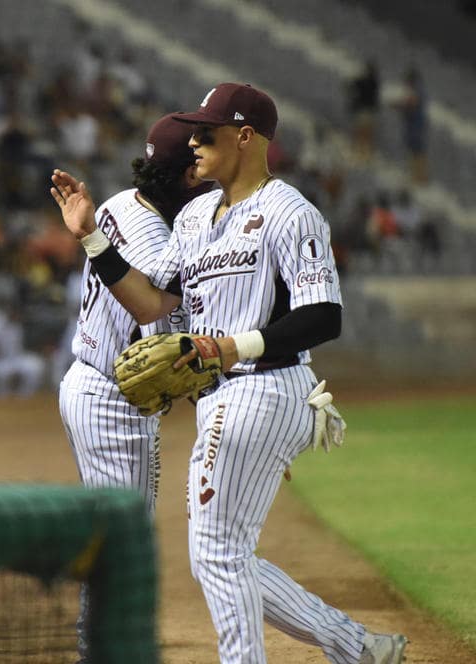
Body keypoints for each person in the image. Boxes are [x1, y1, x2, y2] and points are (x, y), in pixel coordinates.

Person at [52, 83, 407, 664]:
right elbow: (148, 303)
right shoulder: (193, 216)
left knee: (216, 553)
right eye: (192, 132)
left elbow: (324, 316)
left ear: (245, 137)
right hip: (228, 396)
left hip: (265, 385)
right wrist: (91, 235)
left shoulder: (290, 212)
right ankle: (356, 647)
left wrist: (231, 348)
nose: (193, 142)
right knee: (219, 554)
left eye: (206, 132)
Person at [59, 113, 211, 508]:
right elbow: (166, 351)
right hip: (114, 402)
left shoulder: (121, 201)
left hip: (89, 383)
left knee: (110, 535)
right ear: (191, 175)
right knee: (127, 543)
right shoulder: (158, 241)